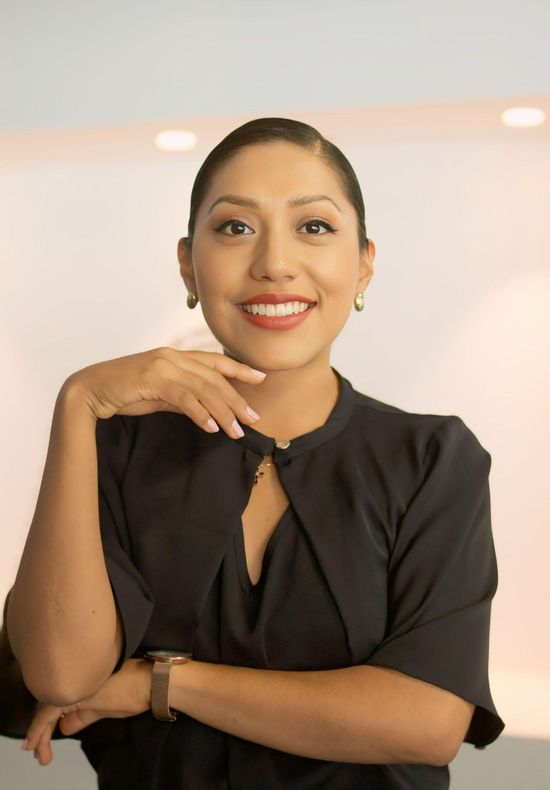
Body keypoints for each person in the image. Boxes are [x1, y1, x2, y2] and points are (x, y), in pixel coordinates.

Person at [0, 117, 505, 789]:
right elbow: (61, 674)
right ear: (188, 264)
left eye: (314, 227)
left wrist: (162, 682)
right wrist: (78, 403)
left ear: (363, 264)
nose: (273, 262)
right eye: (235, 228)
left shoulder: (434, 460)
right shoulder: (120, 449)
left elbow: (426, 719)